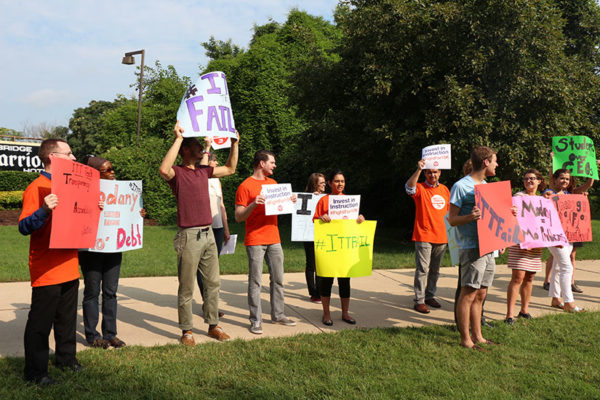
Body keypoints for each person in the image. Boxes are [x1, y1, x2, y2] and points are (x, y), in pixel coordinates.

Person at [159, 121, 239, 345]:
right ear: (185, 150)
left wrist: (234, 144)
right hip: (189, 236)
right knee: (187, 287)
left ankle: (213, 325)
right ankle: (187, 331)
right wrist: (178, 138)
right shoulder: (177, 173)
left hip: (208, 235)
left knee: (213, 283)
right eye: (196, 145)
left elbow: (230, 169)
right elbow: (163, 169)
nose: (201, 149)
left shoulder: (204, 172)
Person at [18, 139, 82, 385]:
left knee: (67, 320)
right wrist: (44, 210)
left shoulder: (72, 186)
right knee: (40, 324)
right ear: (53, 157)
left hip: (69, 265)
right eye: (69, 153)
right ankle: (35, 372)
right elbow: (24, 227)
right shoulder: (37, 187)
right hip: (47, 269)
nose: (74, 157)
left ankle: (67, 359)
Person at [79, 156, 146, 349]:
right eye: (107, 170)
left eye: (112, 169)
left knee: (111, 292)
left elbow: (129, 211)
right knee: (92, 292)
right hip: (91, 249)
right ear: (96, 173)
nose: (112, 172)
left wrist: (138, 213)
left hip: (114, 248)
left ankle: (110, 334)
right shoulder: (84, 191)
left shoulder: (121, 190)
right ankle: (92, 335)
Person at [235, 150, 297, 334]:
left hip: (274, 238)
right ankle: (256, 320)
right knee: (255, 281)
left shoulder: (274, 184)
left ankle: (278, 315)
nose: (274, 165)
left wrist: (290, 200)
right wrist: (254, 203)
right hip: (255, 239)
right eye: (272, 162)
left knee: (278, 279)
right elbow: (238, 217)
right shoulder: (245, 186)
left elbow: (279, 208)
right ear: (261, 164)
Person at [448, 146, 500, 349]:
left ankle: (478, 336)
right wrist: (470, 217)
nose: (497, 165)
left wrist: (507, 212)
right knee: (468, 293)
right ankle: (465, 340)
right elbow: (452, 219)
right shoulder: (461, 186)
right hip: (471, 247)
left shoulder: (486, 185)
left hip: (488, 247)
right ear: (486, 162)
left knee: (481, 294)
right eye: (495, 161)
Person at [313, 170, 365, 326]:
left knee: (344, 281)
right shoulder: (324, 200)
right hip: (329, 248)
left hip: (345, 248)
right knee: (326, 281)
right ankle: (326, 314)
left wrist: (360, 219)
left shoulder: (350, 201)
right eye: (336, 181)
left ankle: (345, 313)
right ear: (329, 183)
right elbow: (314, 220)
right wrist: (321, 218)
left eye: (342, 181)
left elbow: (354, 222)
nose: (340, 184)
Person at [542, 168, 591, 313]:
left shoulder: (569, 195)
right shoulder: (549, 193)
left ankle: (556, 299)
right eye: (562, 178)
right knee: (567, 267)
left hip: (569, 235)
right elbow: (545, 197)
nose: (565, 181)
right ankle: (569, 302)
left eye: (567, 179)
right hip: (554, 236)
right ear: (555, 179)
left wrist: (582, 198)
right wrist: (546, 195)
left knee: (558, 267)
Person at [405, 159, 450, 313]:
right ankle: (419, 300)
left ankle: (430, 295)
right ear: (425, 173)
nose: (433, 175)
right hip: (424, 234)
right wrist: (418, 169)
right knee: (422, 269)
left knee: (435, 270)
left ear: (440, 173)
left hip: (442, 236)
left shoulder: (445, 190)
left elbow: (450, 212)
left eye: (435, 172)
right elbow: (409, 188)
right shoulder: (420, 188)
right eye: (429, 172)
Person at [504, 169, 546, 325]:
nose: (529, 181)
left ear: (539, 181)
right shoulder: (518, 197)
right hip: (520, 242)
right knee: (518, 278)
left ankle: (524, 310)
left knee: (530, 278)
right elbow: (510, 216)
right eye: (526, 179)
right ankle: (509, 314)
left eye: (533, 178)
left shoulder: (543, 200)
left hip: (535, 244)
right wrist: (512, 211)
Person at [197, 150, 230, 318]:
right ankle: (208, 304)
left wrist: (226, 228)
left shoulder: (217, 181)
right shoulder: (198, 178)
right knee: (202, 268)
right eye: (214, 161)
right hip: (202, 227)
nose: (217, 164)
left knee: (213, 268)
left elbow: (222, 204)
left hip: (217, 228)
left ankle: (210, 303)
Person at [303, 173, 326, 303]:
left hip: (323, 235)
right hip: (309, 235)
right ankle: (314, 293)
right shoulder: (307, 198)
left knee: (321, 264)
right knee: (311, 264)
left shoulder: (327, 197)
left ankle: (320, 291)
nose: (324, 185)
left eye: (324, 182)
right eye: (321, 183)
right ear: (314, 184)